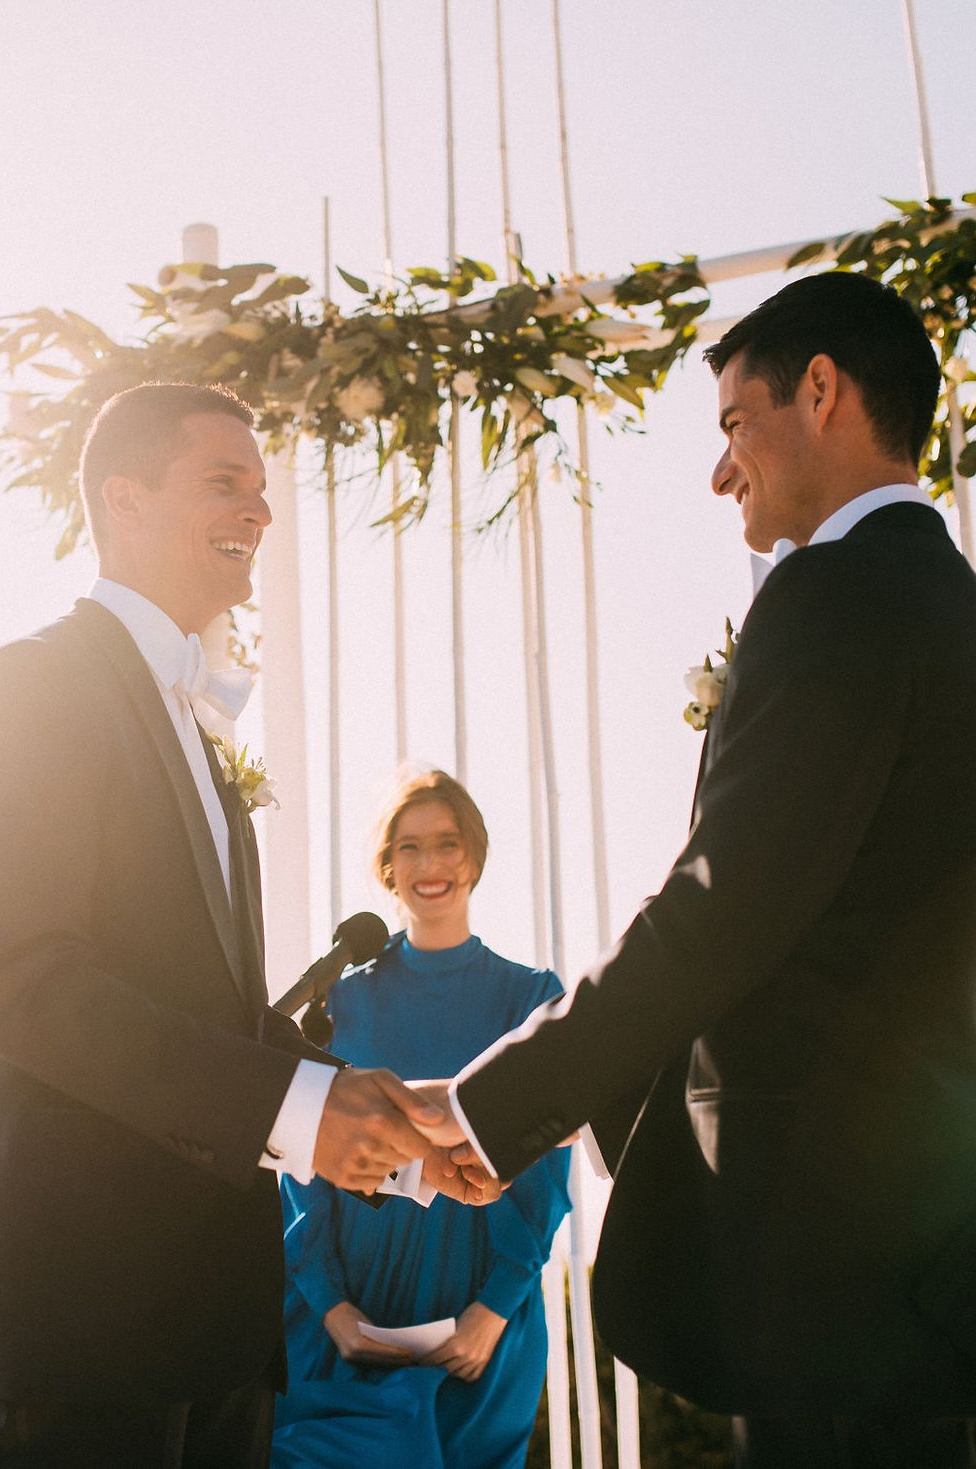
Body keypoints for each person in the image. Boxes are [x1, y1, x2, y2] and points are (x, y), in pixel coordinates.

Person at [418, 273, 976, 1467]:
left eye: (732, 424)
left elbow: (723, 905)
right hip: (933, 1222)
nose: (721, 470)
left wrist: (498, 1103)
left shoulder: (832, 596)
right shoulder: (950, 604)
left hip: (819, 1232)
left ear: (818, 391)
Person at [0, 383, 450, 1469]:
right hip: (89, 1323)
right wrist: (296, 1104)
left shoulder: (197, 732)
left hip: (215, 1332)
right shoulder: (37, 685)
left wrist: (379, 1118)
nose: (260, 507)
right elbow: (29, 980)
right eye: (223, 481)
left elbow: (206, 1007)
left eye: (260, 486)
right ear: (125, 499)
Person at [273, 770, 571, 1469]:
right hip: (344, 1322)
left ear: (475, 854)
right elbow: (302, 1158)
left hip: (480, 1332)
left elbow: (547, 1173)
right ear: (387, 865)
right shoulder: (337, 1006)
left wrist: (493, 1309)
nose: (430, 864)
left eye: (447, 843)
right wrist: (330, 1306)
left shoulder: (533, 998)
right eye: (410, 847)